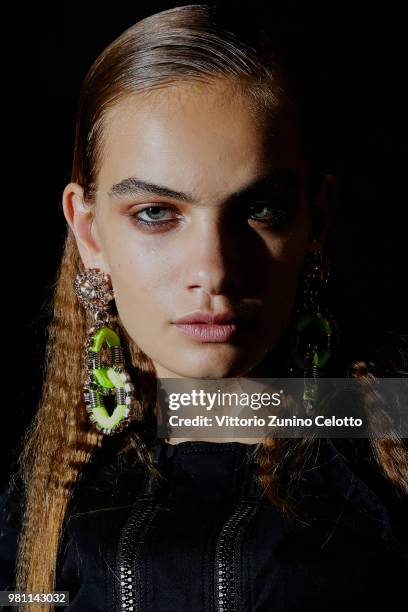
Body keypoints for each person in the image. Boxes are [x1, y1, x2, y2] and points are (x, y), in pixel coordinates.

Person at [1, 4, 407, 612]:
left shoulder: (388, 455)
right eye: (156, 213)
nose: (213, 271)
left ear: (315, 222)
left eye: (259, 209)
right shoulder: (48, 490)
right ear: (89, 233)